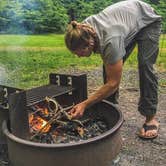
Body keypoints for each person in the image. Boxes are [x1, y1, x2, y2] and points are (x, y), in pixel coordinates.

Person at [65, 0, 162, 139]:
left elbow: (113, 83)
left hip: (147, 20)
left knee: (145, 66)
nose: (78, 57)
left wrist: (85, 104)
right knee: (109, 66)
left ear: (89, 44)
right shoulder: (82, 29)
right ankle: (111, 112)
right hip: (126, 24)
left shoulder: (110, 40)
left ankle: (150, 118)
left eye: (79, 52)